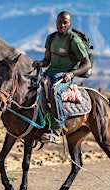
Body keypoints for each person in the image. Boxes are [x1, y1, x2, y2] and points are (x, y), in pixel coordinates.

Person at [32, 11, 91, 143]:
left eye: (65, 23)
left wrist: (71, 74)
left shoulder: (74, 41)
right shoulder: (51, 38)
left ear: (70, 24)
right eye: (59, 22)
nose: (62, 25)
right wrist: (40, 63)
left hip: (66, 76)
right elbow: (46, 60)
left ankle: (58, 128)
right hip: (50, 72)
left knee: (54, 90)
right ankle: (37, 124)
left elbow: (87, 64)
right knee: (32, 86)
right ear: (56, 23)